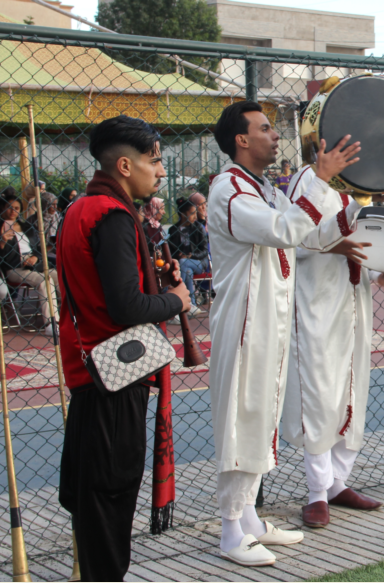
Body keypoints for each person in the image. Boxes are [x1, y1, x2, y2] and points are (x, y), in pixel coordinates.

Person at [207, 101, 361, 567]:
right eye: (265, 128)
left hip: (269, 323)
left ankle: (250, 520)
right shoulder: (228, 189)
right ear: (241, 140)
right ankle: (230, 530)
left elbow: (307, 236)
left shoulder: (263, 188)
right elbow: (282, 229)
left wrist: (356, 206)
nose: (276, 136)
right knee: (241, 420)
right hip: (244, 324)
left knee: (261, 419)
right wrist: (320, 177)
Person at [56, 115, 190, 581]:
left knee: (93, 496)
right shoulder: (111, 215)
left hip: (90, 372)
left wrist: (156, 282)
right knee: (110, 496)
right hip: (114, 374)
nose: (161, 170)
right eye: (154, 161)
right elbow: (127, 306)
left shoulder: (81, 208)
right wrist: (175, 300)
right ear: (126, 166)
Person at [280, 158, 384, 528]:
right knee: (319, 395)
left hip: (354, 301)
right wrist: (337, 244)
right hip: (317, 302)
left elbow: (365, 241)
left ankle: (338, 482)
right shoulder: (309, 180)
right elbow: (296, 239)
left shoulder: (361, 181)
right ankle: (317, 493)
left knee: (351, 391)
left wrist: (382, 267)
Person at [0, 195, 59, 335]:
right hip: (14, 267)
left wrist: (34, 257)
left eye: (16, 208)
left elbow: (39, 247)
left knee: (60, 276)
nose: (13, 211)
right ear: (2, 208)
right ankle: (51, 323)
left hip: (33, 263)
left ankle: (74, 315)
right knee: (45, 280)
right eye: (9, 207)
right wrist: (2, 241)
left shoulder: (26, 227)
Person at [166, 197, 208, 316]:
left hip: (199, 262)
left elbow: (204, 251)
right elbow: (171, 252)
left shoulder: (198, 228)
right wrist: (179, 255)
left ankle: (178, 300)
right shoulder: (173, 230)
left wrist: (190, 255)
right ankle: (191, 304)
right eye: (192, 213)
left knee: (184, 263)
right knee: (187, 271)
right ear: (183, 214)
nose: (195, 216)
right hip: (183, 265)